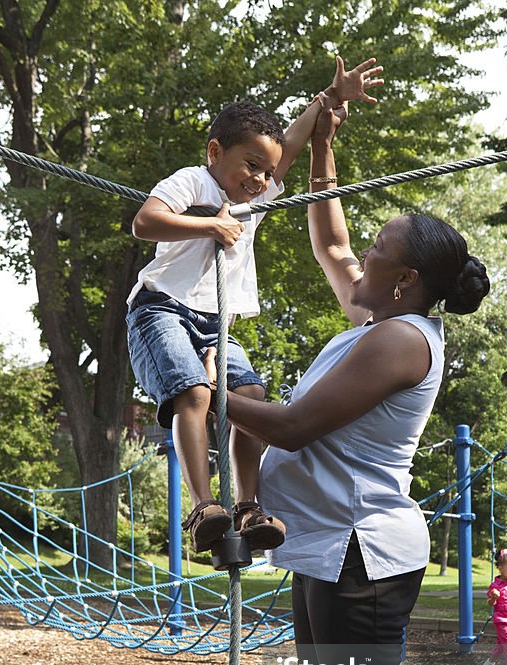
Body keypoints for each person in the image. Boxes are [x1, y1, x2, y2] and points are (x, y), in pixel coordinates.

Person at [226, 104, 490, 665]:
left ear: (407, 280)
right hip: (321, 554)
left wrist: (199, 389)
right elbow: (329, 234)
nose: (361, 255)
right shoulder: (375, 313)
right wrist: (326, 140)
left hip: (361, 561)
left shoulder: (400, 343)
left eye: (380, 250)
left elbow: (295, 427)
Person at [126, 57, 383, 556]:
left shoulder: (254, 197)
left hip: (216, 322)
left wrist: (328, 101)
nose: (261, 179)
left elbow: (288, 143)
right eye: (250, 165)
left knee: (252, 395)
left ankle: (247, 505)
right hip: (162, 309)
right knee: (195, 393)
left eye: (267, 172)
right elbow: (145, 222)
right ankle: (203, 506)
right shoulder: (192, 183)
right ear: (215, 152)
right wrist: (211, 225)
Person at [483, 548, 507, 665]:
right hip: (502, 620)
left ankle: (489, 663)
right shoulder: (495, 586)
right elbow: (491, 603)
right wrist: (494, 597)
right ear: (501, 568)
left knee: (501, 645)